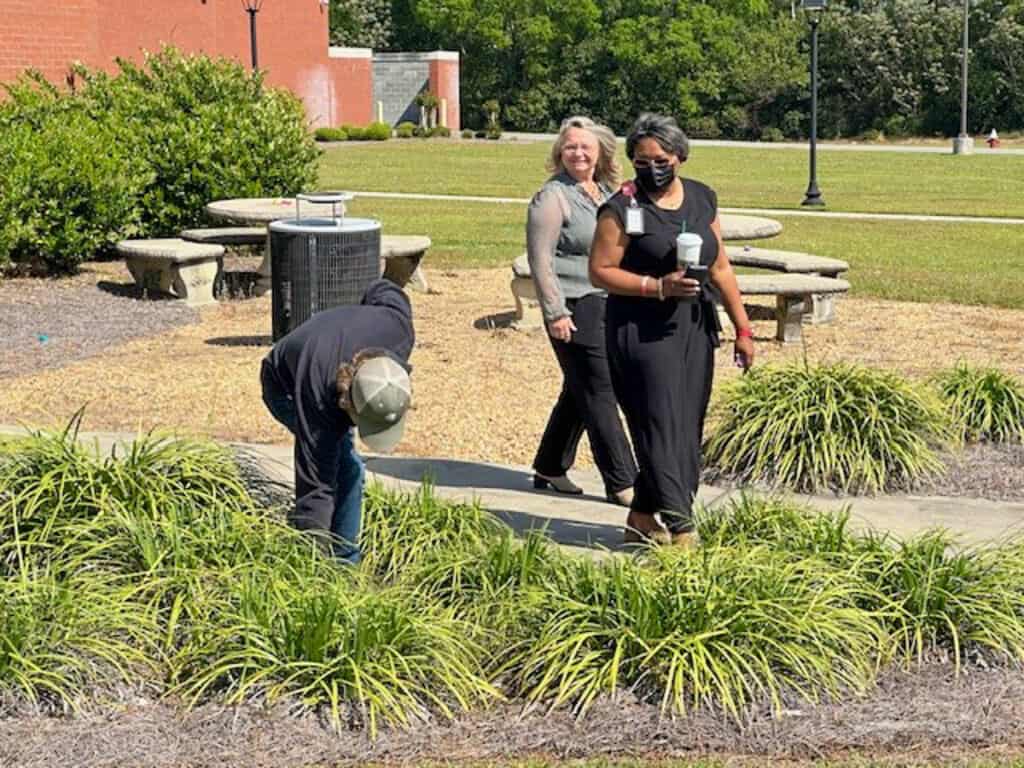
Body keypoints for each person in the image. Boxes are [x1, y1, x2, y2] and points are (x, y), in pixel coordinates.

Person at [589, 113, 755, 546]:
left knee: (684, 425)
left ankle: (641, 516)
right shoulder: (622, 208)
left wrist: (743, 328)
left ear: (679, 156)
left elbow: (720, 266)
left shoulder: (702, 198)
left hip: (693, 326)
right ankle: (682, 525)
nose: (652, 168)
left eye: (660, 158)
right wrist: (656, 286)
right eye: (641, 161)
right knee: (659, 425)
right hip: (640, 331)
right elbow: (600, 271)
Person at [260, 278, 414, 564]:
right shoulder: (318, 399)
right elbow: (315, 487)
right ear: (346, 401)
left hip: (325, 360)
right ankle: (342, 564)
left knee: (346, 466)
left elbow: (382, 288)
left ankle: (343, 554)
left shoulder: (399, 328)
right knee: (346, 468)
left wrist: (350, 323)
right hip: (283, 386)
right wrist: (310, 561)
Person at [526, 115, 638, 506]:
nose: (577, 153)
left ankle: (550, 465)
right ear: (560, 152)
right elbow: (540, 260)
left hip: (607, 300)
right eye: (570, 146)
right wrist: (555, 312)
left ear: (599, 153)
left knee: (580, 389)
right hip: (573, 304)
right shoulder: (552, 196)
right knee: (600, 390)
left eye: (585, 147)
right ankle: (623, 481)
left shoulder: (605, 190)